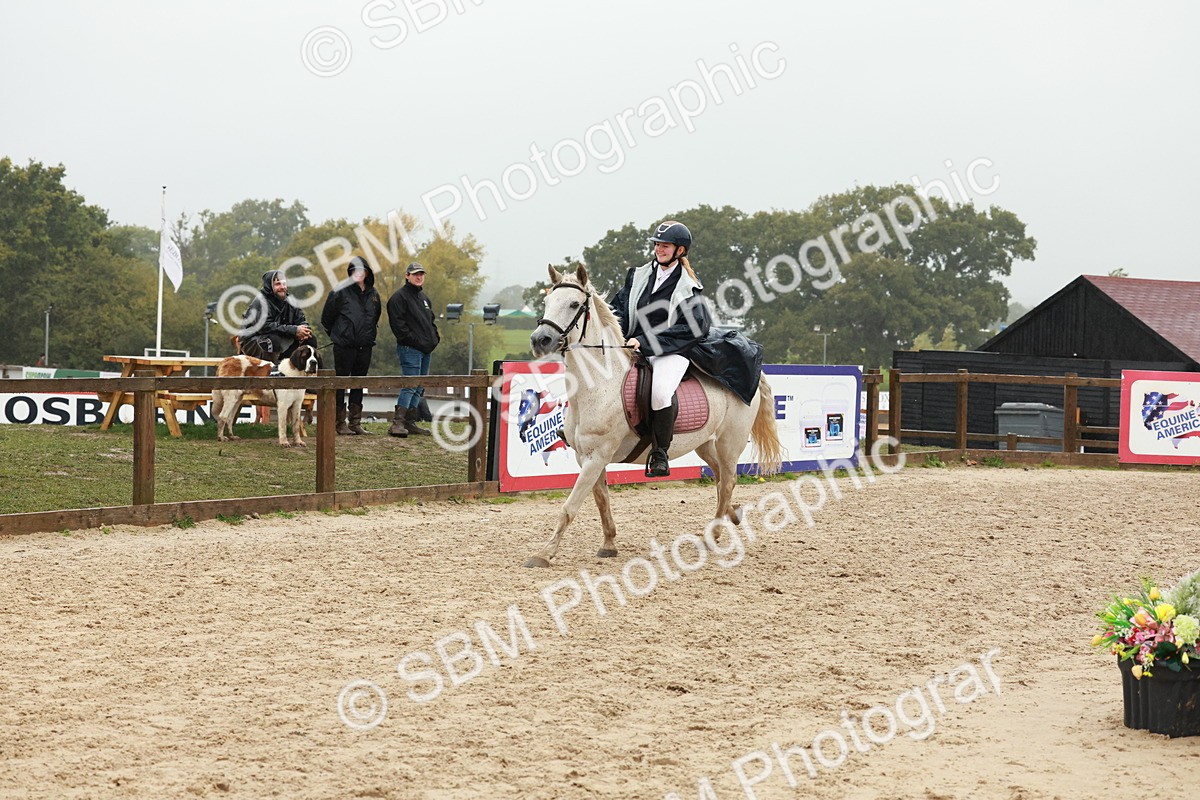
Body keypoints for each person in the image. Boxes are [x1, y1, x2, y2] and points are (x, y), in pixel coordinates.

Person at [610, 221, 711, 477]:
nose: (659, 249)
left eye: (665, 246)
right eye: (657, 245)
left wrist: (645, 342)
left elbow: (691, 328)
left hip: (671, 350)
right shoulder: (639, 275)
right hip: (633, 345)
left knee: (661, 393)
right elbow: (619, 308)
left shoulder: (688, 286)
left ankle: (660, 453)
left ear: (680, 250)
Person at [321, 255, 382, 435]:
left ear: (367, 272)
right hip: (344, 345)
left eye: (361, 270)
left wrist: (368, 335)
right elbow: (327, 318)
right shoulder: (339, 291)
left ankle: (355, 422)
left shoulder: (374, 294)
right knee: (341, 382)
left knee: (359, 382)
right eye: (354, 270)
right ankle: (339, 422)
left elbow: (375, 317)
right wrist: (339, 335)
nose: (358, 274)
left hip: (365, 345)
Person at [386, 262, 439, 437]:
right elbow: (399, 328)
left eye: (421, 274)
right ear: (407, 275)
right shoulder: (398, 298)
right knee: (409, 385)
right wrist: (417, 341)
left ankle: (409, 421)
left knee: (419, 386)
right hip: (410, 349)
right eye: (415, 274)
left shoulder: (424, 298)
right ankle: (398, 423)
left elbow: (430, 321)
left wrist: (434, 338)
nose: (419, 276)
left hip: (425, 350)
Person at [238, 270, 314, 363]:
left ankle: (305, 372)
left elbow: (301, 320)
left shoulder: (291, 301)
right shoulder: (261, 302)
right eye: (278, 284)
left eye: (284, 284)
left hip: (279, 336)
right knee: (271, 341)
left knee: (310, 338)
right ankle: (271, 372)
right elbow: (264, 327)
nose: (282, 287)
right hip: (253, 340)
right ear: (269, 286)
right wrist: (294, 330)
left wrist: (304, 330)